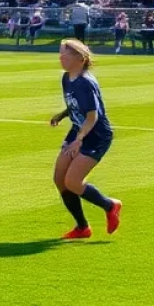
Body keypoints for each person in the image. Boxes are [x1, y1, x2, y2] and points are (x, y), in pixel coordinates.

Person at [49, 39, 121, 240]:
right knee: (59, 179)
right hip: (78, 131)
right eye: (60, 53)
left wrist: (79, 140)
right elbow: (75, 105)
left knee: (72, 181)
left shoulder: (86, 82)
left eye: (65, 54)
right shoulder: (66, 78)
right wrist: (62, 114)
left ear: (80, 59)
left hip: (95, 135)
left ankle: (110, 205)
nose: (60, 57)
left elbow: (92, 116)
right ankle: (82, 227)